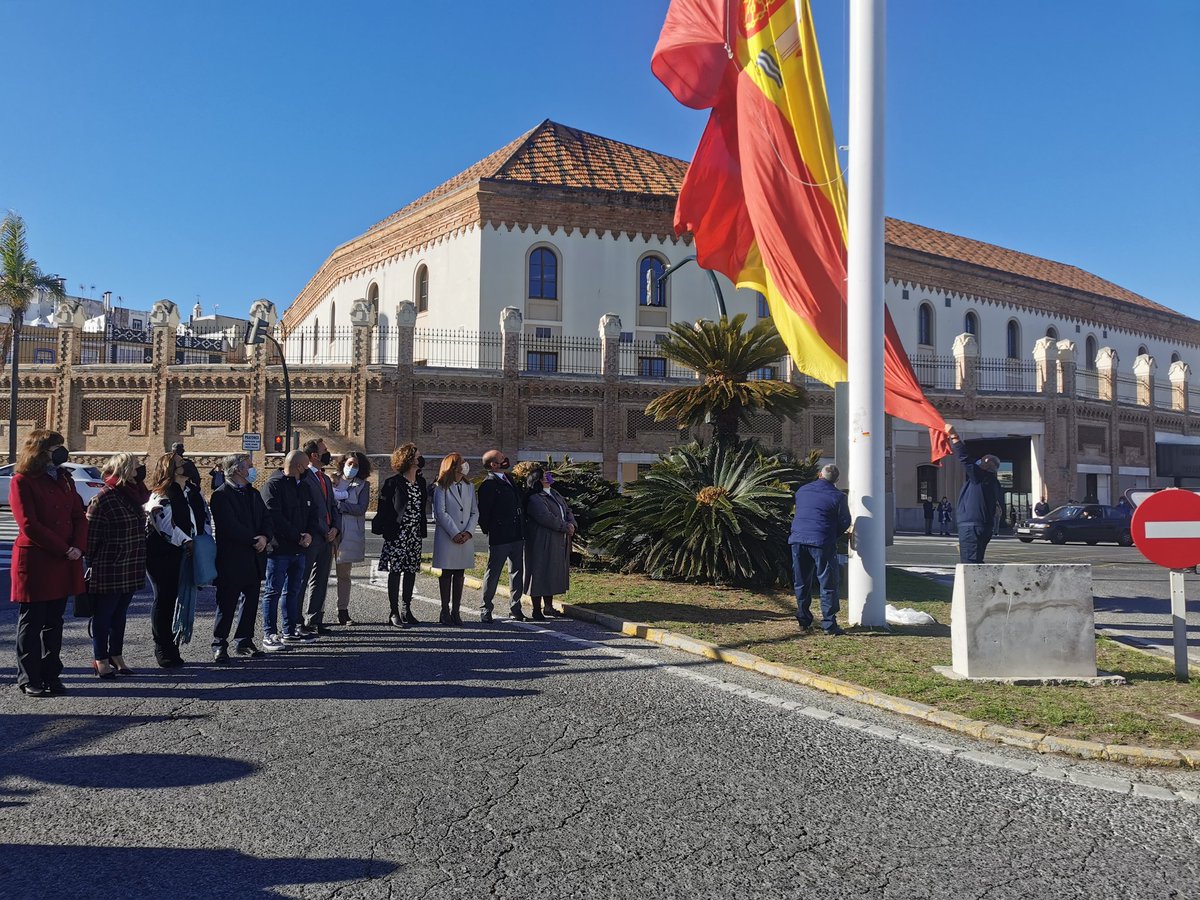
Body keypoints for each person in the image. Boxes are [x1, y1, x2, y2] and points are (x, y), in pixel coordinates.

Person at [10, 430, 87, 696]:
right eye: (57, 447)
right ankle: (29, 677)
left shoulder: (65, 479)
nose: (61, 452)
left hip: (65, 558)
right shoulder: (22, 480)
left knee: (55, 621)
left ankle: (51, 674)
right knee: (32, 621)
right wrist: (65, 548)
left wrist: (78, 547)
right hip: (38, 559)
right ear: (40, 450)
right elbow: (29, 524)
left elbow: (79, 515)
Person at [144, 451, 211, 667]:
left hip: (187, 553)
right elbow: (164, 525)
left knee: (179, 598)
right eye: (181, 463)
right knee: (164, 599)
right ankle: (162, 646)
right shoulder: (161, 494)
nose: (187, 465)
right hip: (163, 554)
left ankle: (174, 645)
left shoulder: (191, 492)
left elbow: (203, 517)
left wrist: (202, 538)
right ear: (169, 468)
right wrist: (186, 541)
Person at [85, 452, 147, 678]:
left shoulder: (134, 494)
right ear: (126, 469)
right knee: (104, 614)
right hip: (109, 565)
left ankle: (116, 654)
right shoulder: (104, 497)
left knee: (120, 613)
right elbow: (90, 537)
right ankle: (100, 658)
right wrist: (93, 562)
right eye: (137, 466)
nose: (140, 470)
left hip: (131, 564)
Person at [209, 454, 272, 662]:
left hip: (254, 557)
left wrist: (264, 536)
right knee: (227, 603)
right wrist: (253, 539)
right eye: (249, 467)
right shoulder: (221, 495)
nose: (253, 470)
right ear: (237, 470)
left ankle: (245, 640)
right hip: (232, 558)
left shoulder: (253, 493)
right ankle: (219, 643)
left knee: (251, 601)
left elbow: (265, 518)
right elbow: (229, 525)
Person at [261, 450, 316, 651]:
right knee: (273, 591)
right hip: (279, 549)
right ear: (299, 466)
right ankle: (269, 633)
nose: (308, 469)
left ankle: (289, 631)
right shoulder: (274, 485)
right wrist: (298, 536)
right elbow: (275, 517)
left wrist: (309, 533)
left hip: (299, 549)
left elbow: (312, 512)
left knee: (292, 591)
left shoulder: (304, 487)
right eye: (306, 465)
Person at [788, 464, 851, 636]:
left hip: (798, 540)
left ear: (819, 474)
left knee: (801, 581)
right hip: (822, 542)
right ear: (837, 480)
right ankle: (829, 624)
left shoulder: (802, 491)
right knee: (828, 583)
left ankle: (803, 620)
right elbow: (845, 521)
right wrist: (832, 534)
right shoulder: (838, 497)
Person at [375, 443, 426, 627]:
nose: (421, 458)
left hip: (414, 533)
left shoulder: (421, 482)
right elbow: (385, 509)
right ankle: (394, 611)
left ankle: (407, 609)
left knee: (411, 570)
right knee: (395, 571)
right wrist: (387, 530)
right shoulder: (393, 483)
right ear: (410, 459)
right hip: (398, 533)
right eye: (417, 455)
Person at [476, 449, 525, 623]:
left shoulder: (509, 479)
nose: (505, 460)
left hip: (516, 533)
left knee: (517, 572)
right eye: (501, 458)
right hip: (499, 535)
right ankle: (486, 608)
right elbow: (484, 513)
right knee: (494, 571)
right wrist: (491, 529)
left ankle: (515, 607)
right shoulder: (488, 485)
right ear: (493, 464)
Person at [944, 423, 1004, 564]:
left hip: (972, 527)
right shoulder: (993, 482)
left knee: (970, 565)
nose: (978, 462)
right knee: (976, 561)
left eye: (982, 461)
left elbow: (964, 458)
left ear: (987, 465)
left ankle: (974, 586)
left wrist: (954, 436)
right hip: (981, 526)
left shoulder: (981, 477)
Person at [299, 438, 341, 636]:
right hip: (313, 536)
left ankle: (314, 619)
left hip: (328, 537)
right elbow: (307, 510)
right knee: (302, 579)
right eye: (325, 450)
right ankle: (297, 621)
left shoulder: (324, 478)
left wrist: (335, 528)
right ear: (314, 455)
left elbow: (333, 506)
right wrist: (323, 529)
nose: (328, 453)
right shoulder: (304, 477)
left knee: (321, 579)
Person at [523, 467, 576, 620]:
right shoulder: (535, 498)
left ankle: (548, 606)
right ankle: (536, 609)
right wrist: (565, 527)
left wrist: (572, 523)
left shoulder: (554, 493)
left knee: (551, 572)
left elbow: (567, 510)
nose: (547, 479)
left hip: (557, 540)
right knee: (539, 572)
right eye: (543, 477)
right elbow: (545, 517)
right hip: (541, 540)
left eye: (548, 476)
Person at [432, 452, 478, 626]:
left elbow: (475, 511)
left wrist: (468, 532)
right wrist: (455, 532)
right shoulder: (441, 487)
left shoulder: (469, 486)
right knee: (447, 573)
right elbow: (440, 513)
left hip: (465, 537)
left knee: (460, 573)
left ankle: (456, 611)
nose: (465, 465)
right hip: (448, 536)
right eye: (463, 462)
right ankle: (444, 610)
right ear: (453, 466)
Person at [332, 451, 372, 625]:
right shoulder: (332, 479)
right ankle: (316, 612)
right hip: (329, 532)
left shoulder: (363, 485)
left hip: (348, 533)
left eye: (356, 465)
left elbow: (361, 508)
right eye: (350, 463)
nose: (352, 467)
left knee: (344, 574)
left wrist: (340, 505)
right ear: (343, 463)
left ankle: (343, 610)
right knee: (319, 574)